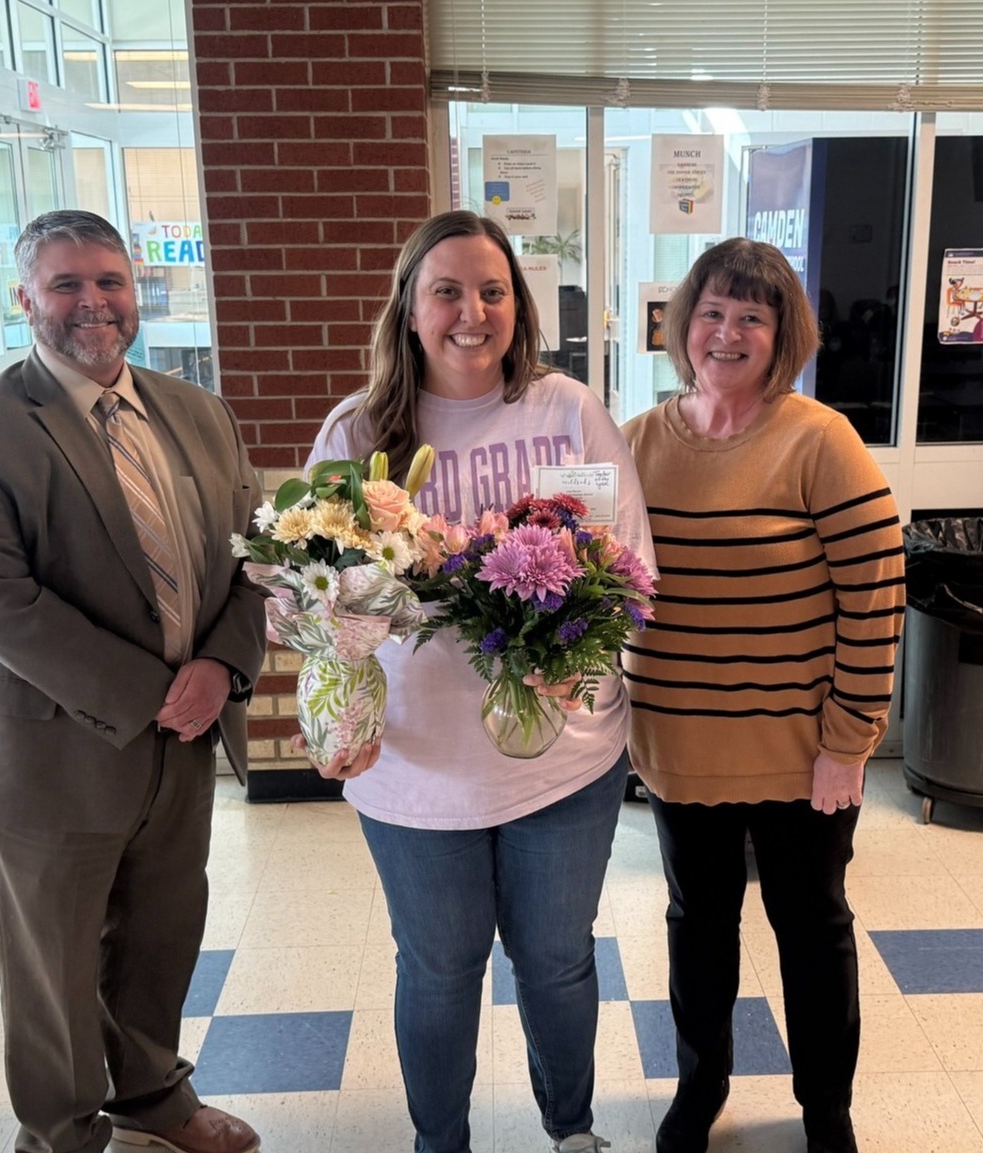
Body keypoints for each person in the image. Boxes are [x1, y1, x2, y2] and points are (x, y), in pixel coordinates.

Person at [303, 209, 657, 1153]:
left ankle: (571, 1130)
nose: (472, 312)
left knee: (556, 961)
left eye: (492, 291)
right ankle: (441, 1144)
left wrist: (573, 651)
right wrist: (332, 685)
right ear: (409, 308)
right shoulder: (356, 432)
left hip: (564, 758)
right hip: (417, 769)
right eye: (447, 291)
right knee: (439, 971)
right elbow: (313, 598)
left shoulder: (565, 409)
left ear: (518, 306)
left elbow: (629, 569)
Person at [0, 210, 267, 1153]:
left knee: (161, 934)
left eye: (110, 281)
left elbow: (255, 555)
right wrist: (159, 691)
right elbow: (3, 604)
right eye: (65, 283)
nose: (93, 302)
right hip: (51, 748)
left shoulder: (198, 412)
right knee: (55, 969)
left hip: (184, 739)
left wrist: (221, 665)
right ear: (23, 297)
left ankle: (154, 1096)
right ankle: (61, 1134)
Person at [621, 238, 906, 1153]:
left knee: (811, 930)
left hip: (799, 757)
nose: (727, 331)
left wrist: (848, 741)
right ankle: (700, 1084)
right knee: (696, 929)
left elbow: (874, 594)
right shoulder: (635, 442)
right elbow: (598, 581)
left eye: (752, 315)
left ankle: (825, 1105)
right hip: (679, 748)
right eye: (711, 311)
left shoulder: (818, 439)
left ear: (782, 335)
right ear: (682, 324)